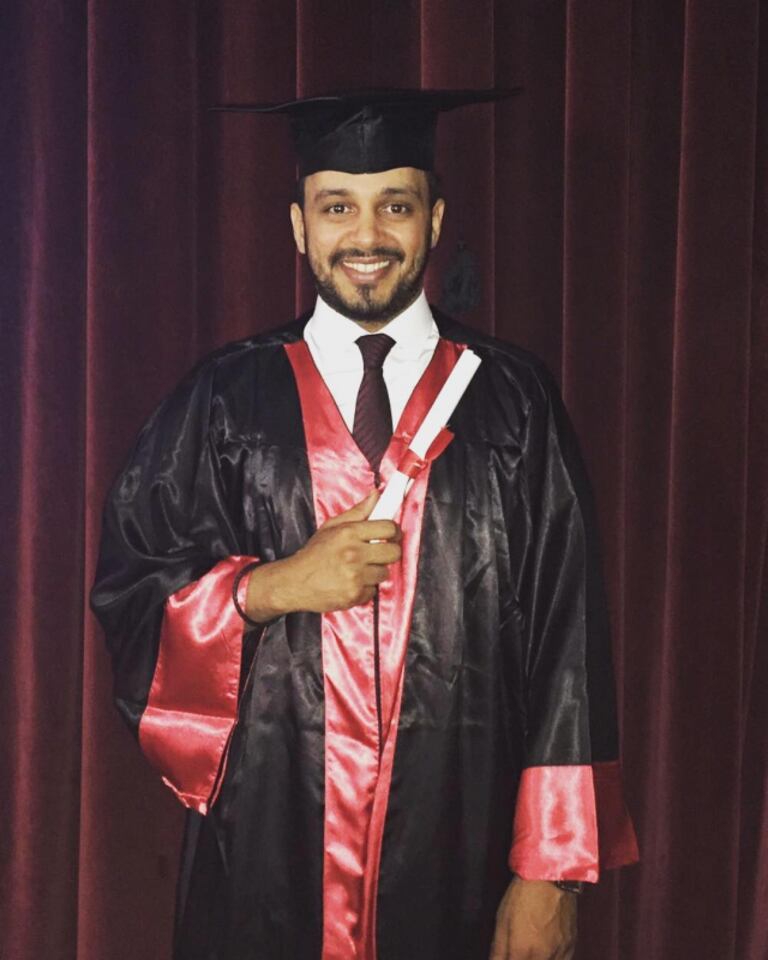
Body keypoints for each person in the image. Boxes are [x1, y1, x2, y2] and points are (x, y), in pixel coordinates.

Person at [91, 89, 638, 960]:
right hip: (263, 865)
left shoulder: (514, 403)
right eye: (338, 206)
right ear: (299, 226)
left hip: (459, 859)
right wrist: (270, 588)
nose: (368, 235)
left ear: (435, 220)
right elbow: (131, 595)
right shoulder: (223, 400)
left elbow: (568, 641)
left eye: (396, 205)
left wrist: (552, 872)